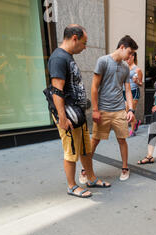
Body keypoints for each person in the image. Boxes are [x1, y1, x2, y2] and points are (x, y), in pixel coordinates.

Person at [48, 24, 110, 198]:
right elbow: (56, 90)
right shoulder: (58, 58)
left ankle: (90, 178)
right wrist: (62, 117)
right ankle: (71, 186)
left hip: (77, 113)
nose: (85, 47)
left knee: (84, 148)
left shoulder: (67, 57)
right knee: (72, 151)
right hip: (68, 115)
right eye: (84, 43)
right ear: (74, 38)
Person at [87, 35, 138, 182]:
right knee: (95, 140)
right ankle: (86, 169)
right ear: (122, 47)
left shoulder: (125, 68)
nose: (130, 56)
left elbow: (128, 90)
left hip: (119, 110)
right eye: (129, 52)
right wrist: (95, 110)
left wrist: (130, 110)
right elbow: (94, 87)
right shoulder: (103, 61)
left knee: (122, 140)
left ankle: (124, 167)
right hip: (103, 110)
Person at [126, 52, 143, 137]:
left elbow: (141, 84)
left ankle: (132, 131)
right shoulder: (125, 68)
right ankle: (136, 123)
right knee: (126, 111)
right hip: (125, 91)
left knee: (130, 111)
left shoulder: (137, 70)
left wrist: (137, 81)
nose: (126, 59)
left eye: (128, 58)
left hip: (134, 91)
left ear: (133, 57)